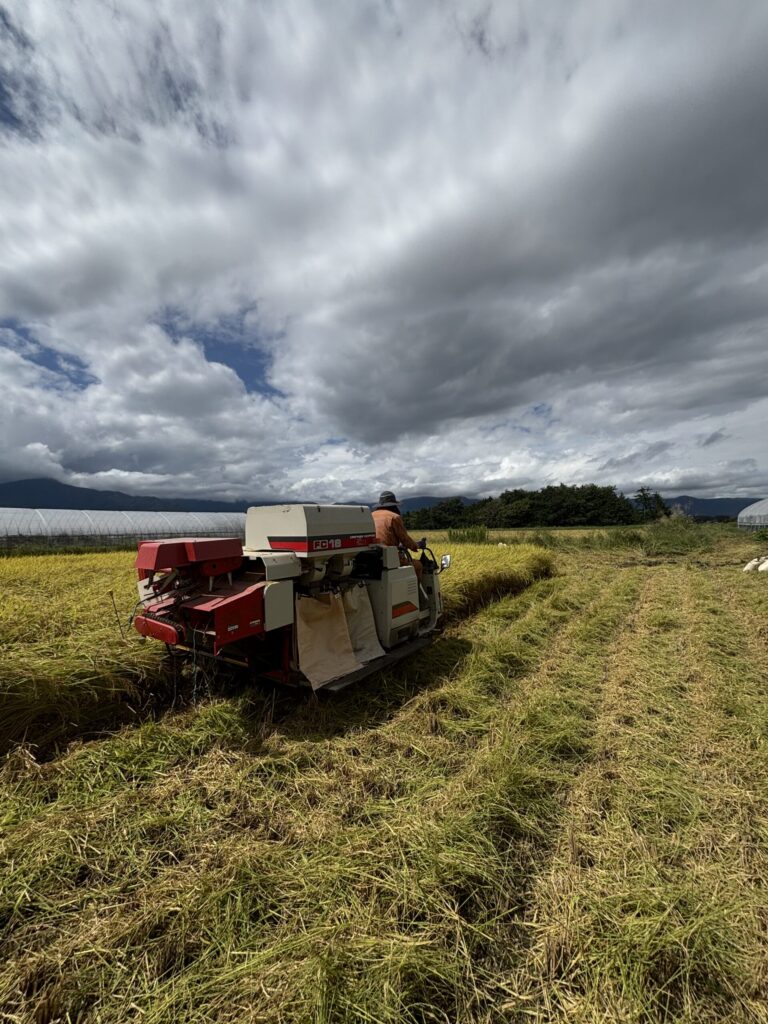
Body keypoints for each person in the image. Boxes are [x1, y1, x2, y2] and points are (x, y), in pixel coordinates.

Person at [371, 490, 425, 581]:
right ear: (393, 505)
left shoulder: (371, 515)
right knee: (418, 565)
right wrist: (417, 545)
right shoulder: (394, 517)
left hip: (372, 558)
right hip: (389, 559)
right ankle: (416, 594)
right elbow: (405, 539)